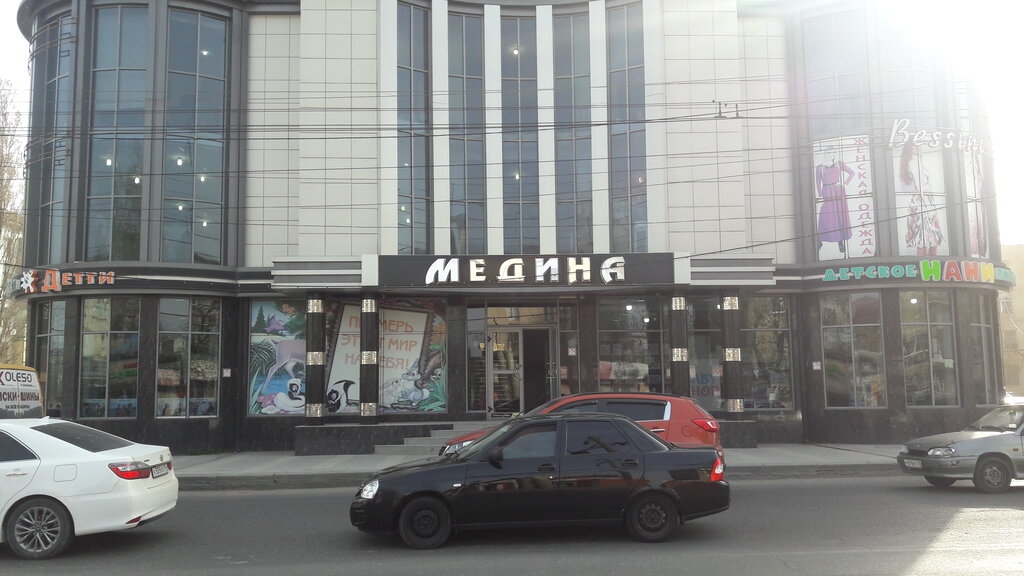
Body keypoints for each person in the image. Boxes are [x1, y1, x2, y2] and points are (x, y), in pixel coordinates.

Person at [898, 140, 943, 256]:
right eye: (916, 145)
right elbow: (920, 186)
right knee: (924, 238)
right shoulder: (914, 161)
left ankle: (928, 264)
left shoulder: (914, 161)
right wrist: (929, 207)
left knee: (929, 237)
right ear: (911, 147)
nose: (919, 147)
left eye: (919, 144)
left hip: (925, 201)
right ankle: (927, 264)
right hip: (923, 202)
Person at [815, 147, 855, 254]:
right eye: (829, 152)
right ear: (825, 153)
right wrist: (820, 196)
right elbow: (818, 183)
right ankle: (819, 240)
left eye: (833, 152)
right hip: (826, 192)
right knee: (825, 216)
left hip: (838, 192)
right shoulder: (820, 167)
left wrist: (844, 183)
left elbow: (852, 173)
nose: (831, 154)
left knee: (839, 215)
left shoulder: (839, 164)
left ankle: (840, 241)